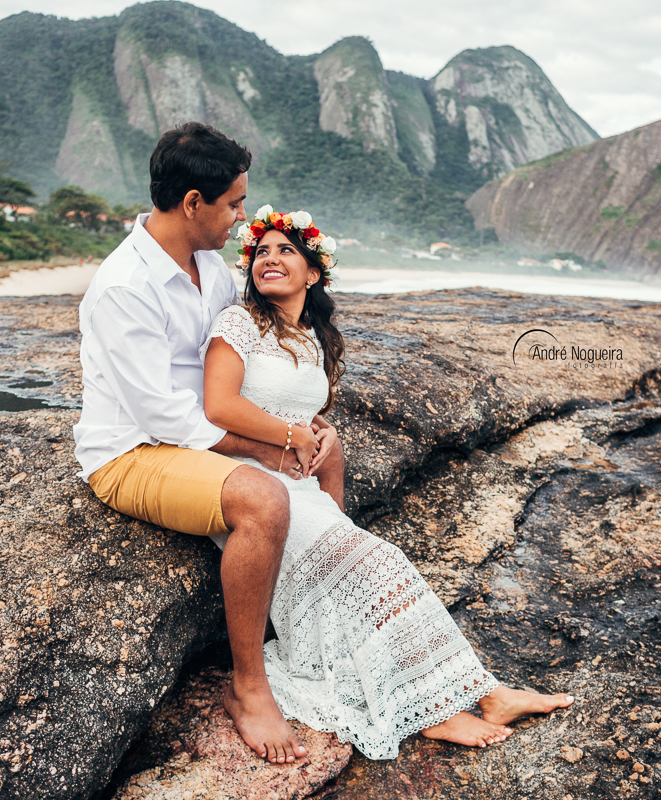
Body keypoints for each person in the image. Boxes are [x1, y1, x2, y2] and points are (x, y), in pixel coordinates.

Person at [200, 205, 574, 761]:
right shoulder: (239, 323)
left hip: (301, 491)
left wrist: (323, 441)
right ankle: (449, 708)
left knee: (381, 564)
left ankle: (481, 697)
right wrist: (292, 438)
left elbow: (310, 419)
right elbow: (217, 407)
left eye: (286, 251)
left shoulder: (311, 339)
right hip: (247, 482)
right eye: (261, 251)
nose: (269, 259)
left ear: (312, 273)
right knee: (379, 564)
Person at [73, 122, 335, 765]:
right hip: (133, 453)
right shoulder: (124, 286)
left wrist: (304, 419)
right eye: (234, 204)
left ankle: (328, 621)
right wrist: (266, 447)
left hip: (194, 438)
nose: (241, 218)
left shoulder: (210, 268)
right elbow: (160, 412)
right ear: (193, 202)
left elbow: (246, 351)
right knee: (265, 499)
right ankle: (248, 686)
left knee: (328, 457)